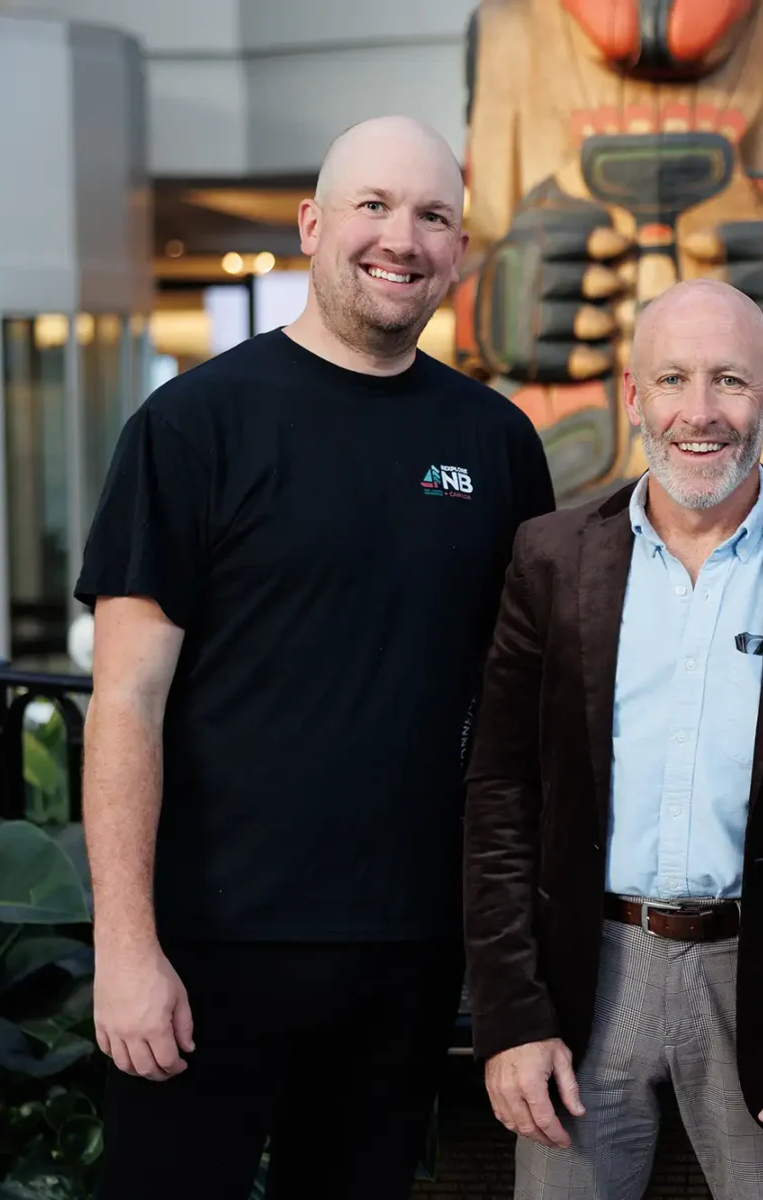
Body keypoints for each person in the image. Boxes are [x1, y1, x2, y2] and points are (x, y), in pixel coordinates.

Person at [77, 115, 556, 1199]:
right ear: (312, 226)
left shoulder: (495, 444)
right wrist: (125, 947)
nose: (404, 238)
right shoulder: (193, 427)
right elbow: (125, 705)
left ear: (461, 251)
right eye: (375, 207)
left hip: (407, 952)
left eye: (435, 215)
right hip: (206, 950)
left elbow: (518, 705)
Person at [463, 278, 763, 1200]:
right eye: (672, 380)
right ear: (632, 398)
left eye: (729, 381)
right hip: (585, 976)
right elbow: (498, 795)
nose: (700, 413)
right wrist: (511, 1016)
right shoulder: (550, 558)